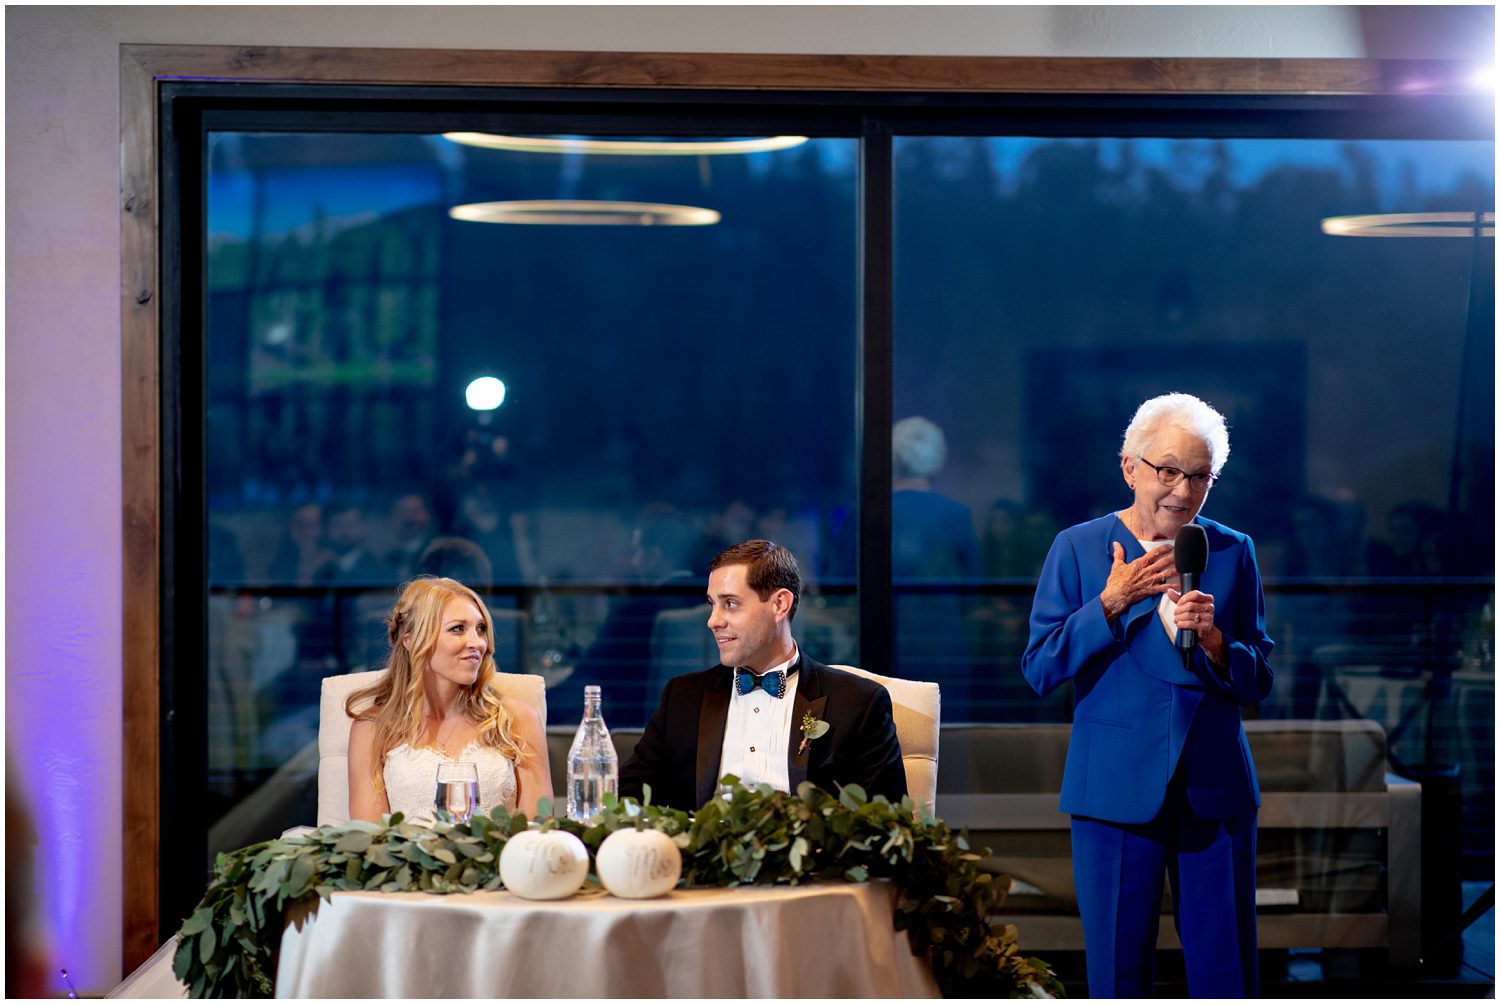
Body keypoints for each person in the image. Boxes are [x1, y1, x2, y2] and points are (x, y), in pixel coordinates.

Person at [1021, 393, 1273, 998]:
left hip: (1215, 786)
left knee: (1227, 972)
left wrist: (1214, 641)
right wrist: (1111, 602)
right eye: (1168, 471)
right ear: (1130, 468)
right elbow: (1040, 667)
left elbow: (1258, 676)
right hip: (1113, 786)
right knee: (1117, 971)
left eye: (1200, 477)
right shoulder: (1078, 547)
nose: (1183, 492)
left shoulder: (1233, 549)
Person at [620, 539, 907, 810]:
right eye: (712, 604)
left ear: (780, 604)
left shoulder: (858, 703)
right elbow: (627, 797)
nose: (713, 621)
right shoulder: (683, 697)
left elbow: (886, 822)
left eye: (730, 603)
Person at [347, 577, 551, 822]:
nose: (477, 643)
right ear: (411, 641)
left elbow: (538, 828)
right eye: (457, 629)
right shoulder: (372, 728)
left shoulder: (518, 720)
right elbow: (370, 836)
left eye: (480, 629)